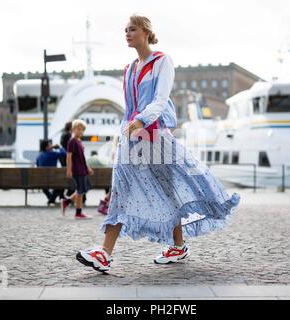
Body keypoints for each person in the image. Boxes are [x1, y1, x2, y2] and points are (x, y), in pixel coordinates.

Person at [76, 14, 240, 273]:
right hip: (132, 139)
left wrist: (141, 121)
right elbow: (129, 107)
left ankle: (177, 246)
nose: (127, 33)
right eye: (125, 30)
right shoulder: (129, 69)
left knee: (168, 190)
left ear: (146, 32)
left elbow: (161, 100)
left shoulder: (163, 62)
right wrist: (126, 131)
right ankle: (104, 252)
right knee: (121, 189)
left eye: (132, 29)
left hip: (156, 136)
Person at [61, 119, 94, 219]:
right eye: (78, 129)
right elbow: (69, 156)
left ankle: (66, 201)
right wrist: (69, 170)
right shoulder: (72, 141)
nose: (80, 131)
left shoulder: (79, 141)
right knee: (80, 191)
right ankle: (78, 213)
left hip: (83, 169)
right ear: (73, 129)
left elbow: (82, 157)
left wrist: (87, 167)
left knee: (83, 189)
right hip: (77, 170)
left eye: (82, 130)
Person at [36, 139, 66, 205]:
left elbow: (38, 166)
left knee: (45, 185)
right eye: (50, 145)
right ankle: (51, 199)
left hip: (42, 180)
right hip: (53, 179)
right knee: (61, 183)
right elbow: (64, 154)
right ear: (47, 147)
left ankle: (51, 198)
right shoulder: (52, 154)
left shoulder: (39, 156)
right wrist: (59, 147)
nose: (51, 146)